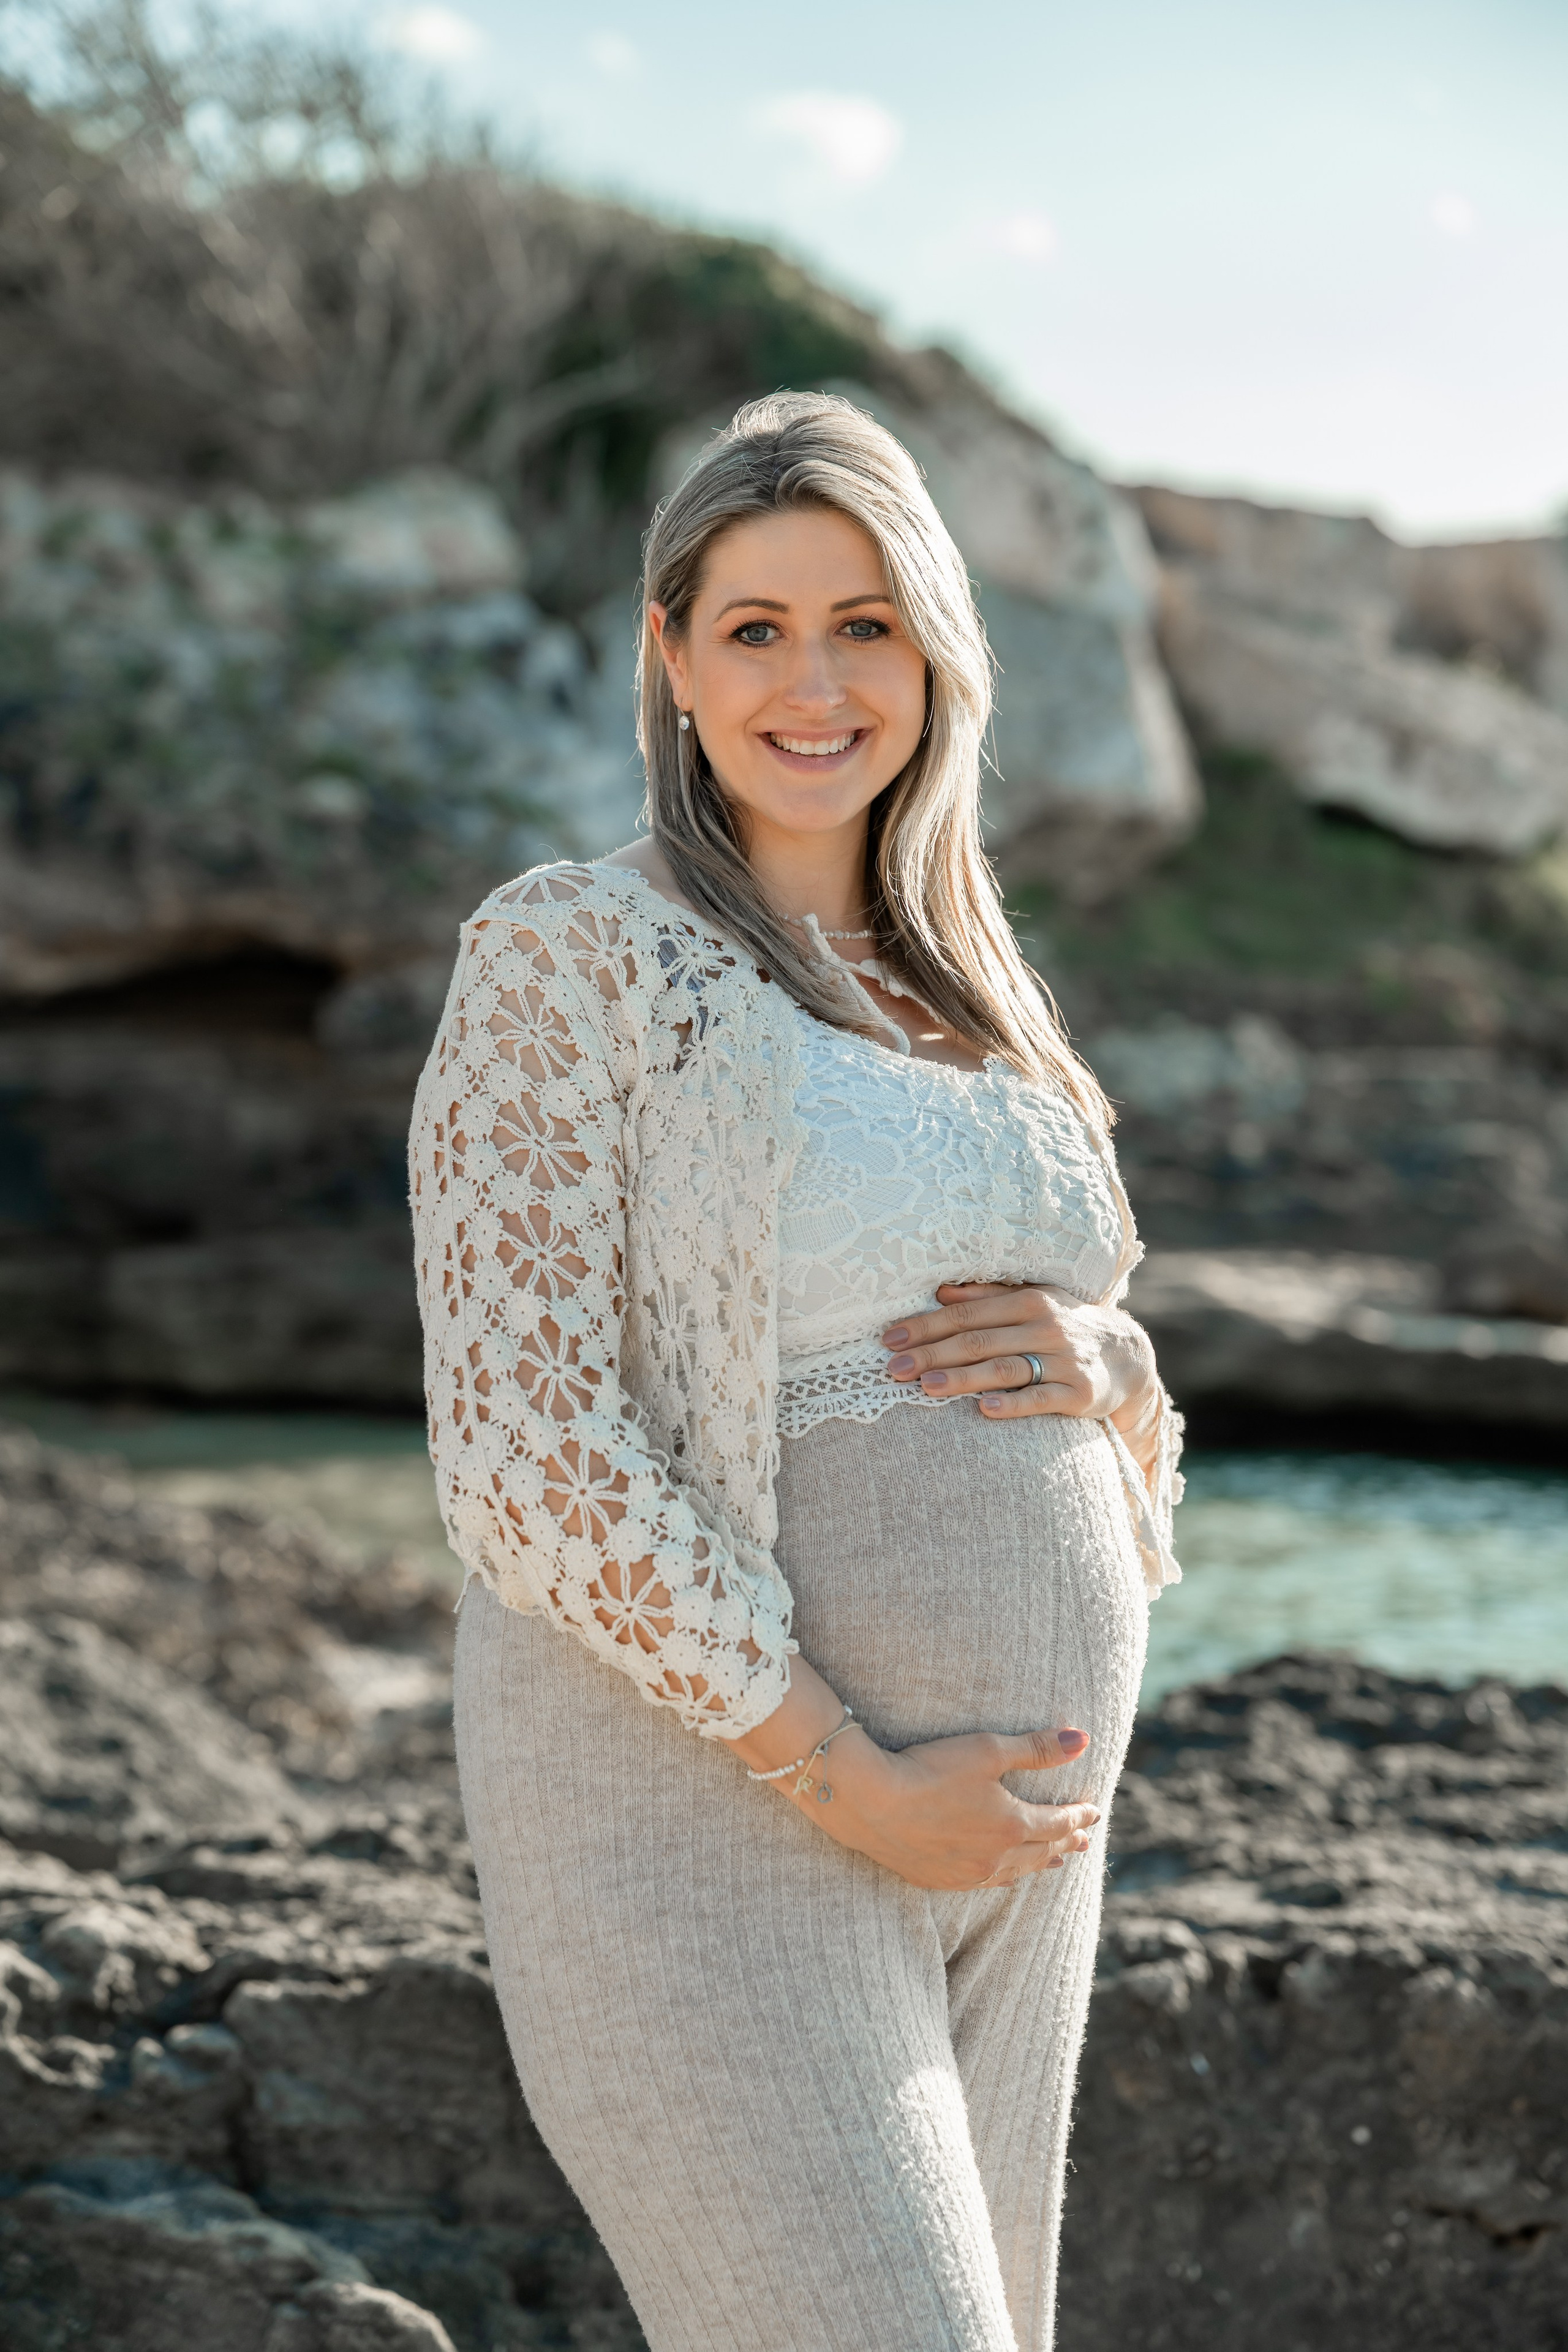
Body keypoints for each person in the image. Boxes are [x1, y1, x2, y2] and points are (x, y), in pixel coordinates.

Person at [409, 390, 1183, 2352]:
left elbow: (1093, 1374)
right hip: (715, 1821)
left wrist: (1107, 1358)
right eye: (755, 627)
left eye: (867, 623)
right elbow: (524, 1454)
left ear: (937, 651)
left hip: (1014, 1848)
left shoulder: (974, 988)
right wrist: (846, 1775)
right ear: (669, 658)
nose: (816, 680)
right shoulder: (574, 954)